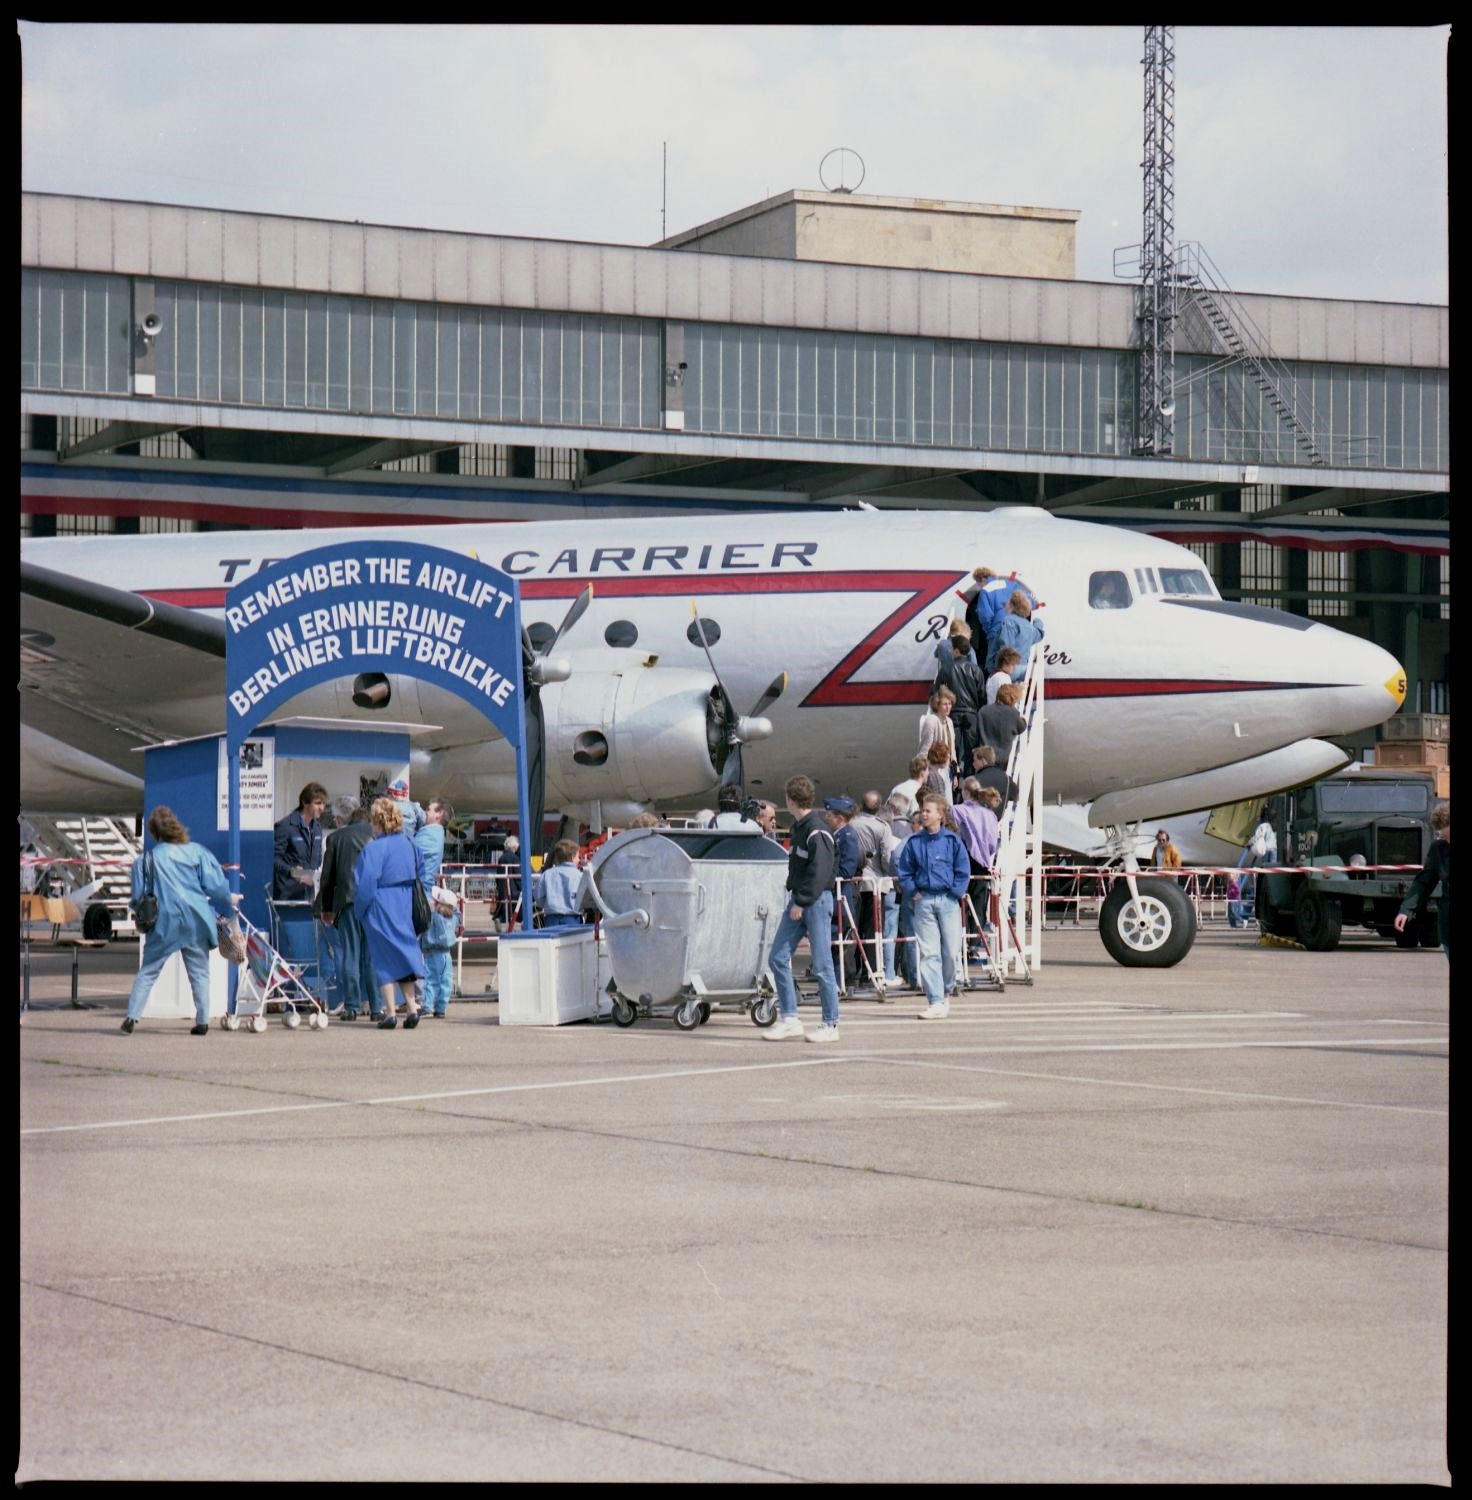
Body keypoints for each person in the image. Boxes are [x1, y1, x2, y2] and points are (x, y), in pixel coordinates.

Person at [120, 806, 238, 1035]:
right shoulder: (197, 852)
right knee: (199, 972)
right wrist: (229, 896)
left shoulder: (145, 861)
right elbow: (216, 885)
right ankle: (202, 1021)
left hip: (164, 923)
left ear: (154, 833)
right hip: (197, 919)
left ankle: (132, 1017)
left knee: (148, 971)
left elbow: (137, 897)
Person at [763, 775, 841, 1043]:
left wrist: (801, 901)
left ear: (791, 800)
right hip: (803, 899)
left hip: (813, 902)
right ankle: (790, 1018)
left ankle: (830, 1024)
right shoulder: (802, 827)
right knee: (777, 957)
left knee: (822, 964)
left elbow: (819, 872)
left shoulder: (815, 831)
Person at [895, 793, 971, 1020]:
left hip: (947, 901)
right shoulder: (915, 842)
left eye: (928, 811)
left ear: (940, 814)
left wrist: (956, 893)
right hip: (924, 901)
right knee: (929, 952)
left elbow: (963, 869)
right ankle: (935, 999)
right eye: (922, 810)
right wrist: (913, 892)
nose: (924, 814)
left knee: (950, 951)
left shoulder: (952, 841)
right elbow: (905, 871)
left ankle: (946, 988)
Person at [353, 797, 427, 1030]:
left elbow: (365, 884)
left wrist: (359, 910)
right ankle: (412, 1008)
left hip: (381, 903)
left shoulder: (374, 848)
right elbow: (422, 874)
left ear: (377, 822)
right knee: (403, 954)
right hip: (404, 901)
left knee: (383, 958)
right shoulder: (409, 844)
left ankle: (390, 1013)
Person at [316, 803, 379, 1021]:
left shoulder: (336, 838)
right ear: (368, 820)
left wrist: (325, 907)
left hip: (347, 904)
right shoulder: (376, 836)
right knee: (370, 957)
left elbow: (327, 877)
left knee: (350, 954)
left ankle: (351, 1007)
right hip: (372, 903)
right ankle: (376, 1007)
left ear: (350, 820)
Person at [415, 798, 456, 1017]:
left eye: (428, 809)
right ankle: (439, 1007)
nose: (423, 812)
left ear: (438, 814)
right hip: (445, 950)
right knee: (445, 979)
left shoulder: (430, 834)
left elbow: (411, 848)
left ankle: (426, 1003)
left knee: (430, 974)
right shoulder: (434, 834)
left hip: (419, 891)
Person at [951, 778, 1000, 958]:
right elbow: (994, 843)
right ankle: (975, 942)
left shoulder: (958, 811)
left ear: (965, 792)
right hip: (983, 862)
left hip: (964, 859)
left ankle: (961, 939)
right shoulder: (990, 815)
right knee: (979, 903)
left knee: (960, 901)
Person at [1395, 800, 1449, 959]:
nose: (1447, 840)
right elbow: (1423, 883)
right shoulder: (1438, 849)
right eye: (1443, 836)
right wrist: (1406, 911)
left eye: (1449, 835)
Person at [272, 782, 326, 901]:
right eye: (317, 803)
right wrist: (291, 871)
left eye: (323, 804)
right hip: (288, 896)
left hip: (310, 896)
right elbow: (274, 859)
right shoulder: (286, 826)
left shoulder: (317, 828)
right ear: (305, 802)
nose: (322, 808)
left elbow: (317, 861)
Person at [986, 590, 1045, 677]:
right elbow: (1039, 634)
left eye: (1007, 601)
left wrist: (997, 669)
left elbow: (1006, 646)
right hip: (1024, 668)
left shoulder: (1009, 621)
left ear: (1012, 605)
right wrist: (1038, 621)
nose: (1005, 604)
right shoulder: (1028, 625)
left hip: (1009, 667)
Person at [534, 840, 586, 928]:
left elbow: (538, 898)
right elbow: (585, 899)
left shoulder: (547, 874)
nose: (579, 859)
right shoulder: (580, 876)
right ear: (572, 857)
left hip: (551, 919)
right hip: (572, 918)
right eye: (578, 856)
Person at [975, 682, 1027, 766]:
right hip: (1003, 757)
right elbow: (1021, 727)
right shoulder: (1012, 713)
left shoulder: (983, 710)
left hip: (985, 755)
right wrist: (1023, 718)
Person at [918, 687, 957, 765]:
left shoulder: (949, 721)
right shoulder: (931, 720)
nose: (948, 707)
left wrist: (955, 770)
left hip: (949, 768)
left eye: (950, 704)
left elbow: (952, 749)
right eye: (945, 704)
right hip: (934, 768)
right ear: (937, 705)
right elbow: (925, 747)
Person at [493, 834, 523, 931]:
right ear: (514, 847)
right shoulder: (515, 858)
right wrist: (522, 887)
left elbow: (498, 875)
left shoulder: (501, 858)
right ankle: (514, 925)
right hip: (513, 888)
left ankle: (500, 919)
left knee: (504, 905)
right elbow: (517, 875)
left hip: (503, 887)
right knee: (516, 906)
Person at [923, 740, 955, 805]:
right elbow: (940, 799)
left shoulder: (928, 772)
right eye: (948, 758)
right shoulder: (935, 776)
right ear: (941, 757)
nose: (948, 761)